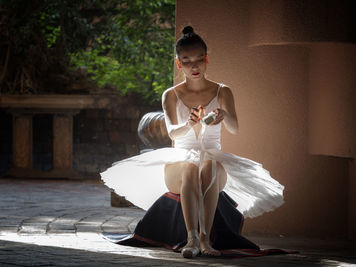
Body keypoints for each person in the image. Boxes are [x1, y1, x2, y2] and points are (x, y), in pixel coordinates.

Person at [100, 25, 285, 259]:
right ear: (179, 64)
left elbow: (235, 128)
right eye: (187, 61)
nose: (194, 66)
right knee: (190, 169)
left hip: (213, 158)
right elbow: (172, 134)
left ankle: (207, 240)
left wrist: (223, 116)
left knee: (207, 166)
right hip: (179, 162)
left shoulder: (223, 91)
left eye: (199, 59)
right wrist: (189, 123)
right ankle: (192, 238)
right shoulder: (171, 94)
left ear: (206, 59)